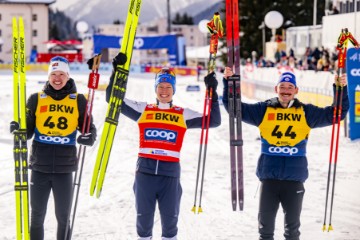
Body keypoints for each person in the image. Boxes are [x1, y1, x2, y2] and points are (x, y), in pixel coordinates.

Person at [221, 68, 349, 240]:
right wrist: (229, 83)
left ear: (296, 90)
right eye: (282, 86)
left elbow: (336, 114)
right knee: (265, 231)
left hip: (294, 180)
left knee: (292, 231)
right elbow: (234, 109)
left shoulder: (306, 112)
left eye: (290, 87)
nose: (286, 90)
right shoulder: (264, 109)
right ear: (276, 89)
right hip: (269, 180)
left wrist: (340, 89)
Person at [105, 53, 221, 240]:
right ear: (155, 88)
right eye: (160, 86)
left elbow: (214, 121)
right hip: (145, 174)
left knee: (170, 227)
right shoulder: (144, 110)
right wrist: (117, 72)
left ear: (173, 89)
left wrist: (212, 92)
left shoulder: (182, 114)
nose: (164, 91)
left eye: (168, 87)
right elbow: (112, 98)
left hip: (170, 176)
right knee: (143, 226)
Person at [11, 56, 97, 240]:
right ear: (49, 76)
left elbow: (89, 128)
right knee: (36, 217)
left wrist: (89, 137)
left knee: (64, 218)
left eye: (61, 74)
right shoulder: (36, 99)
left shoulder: (79, 100)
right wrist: (18, 128)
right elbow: (26, 131)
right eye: (53, 74)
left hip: (64, 169)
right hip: (39, 167)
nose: (57, 79)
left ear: (68, 76)